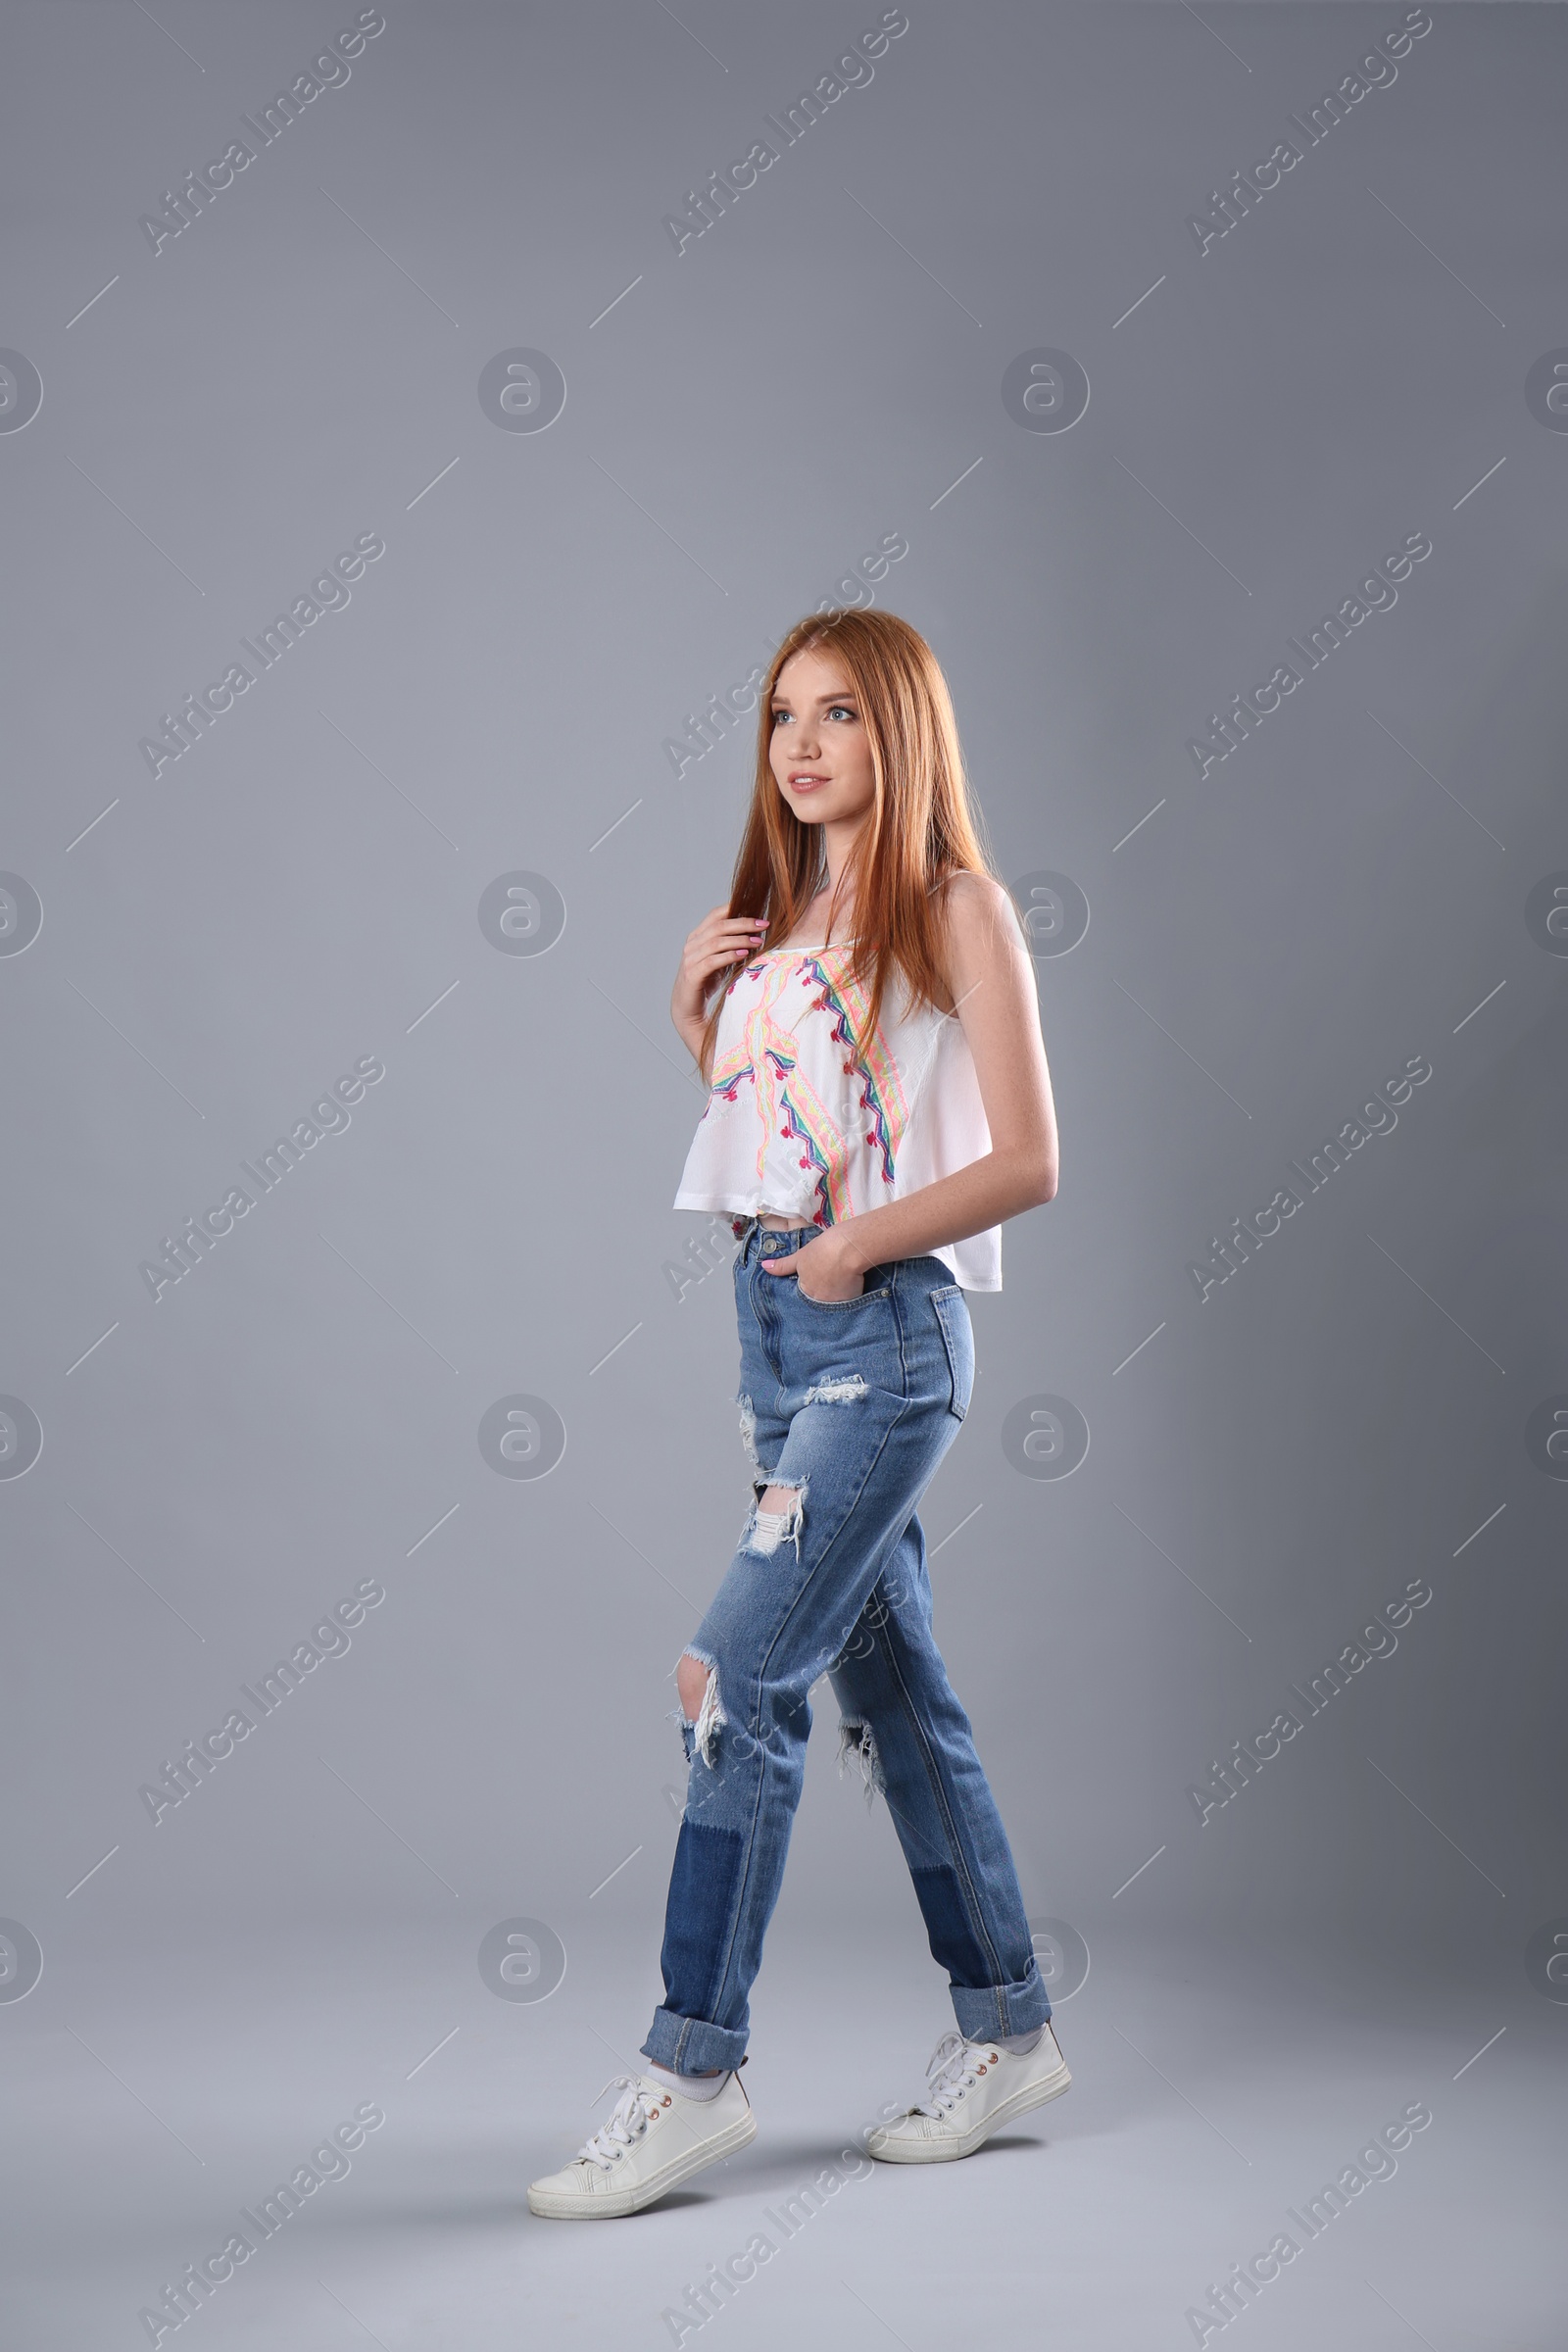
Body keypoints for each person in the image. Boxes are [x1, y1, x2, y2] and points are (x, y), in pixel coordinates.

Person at [528, 608, 1069, 2221]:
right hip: (775, 1335)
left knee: (729, 1675)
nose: (803, 744)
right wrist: (703, 1025)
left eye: (838, 714)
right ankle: (1010, 2028)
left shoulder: (955, 907)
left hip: (884, 1342)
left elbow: (1029, 1161)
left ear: (901, 732)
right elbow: (788, 1139)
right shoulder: (789, 913)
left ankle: (692, 2071)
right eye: (781, 716)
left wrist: (846, 1251)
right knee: (893, 1701)